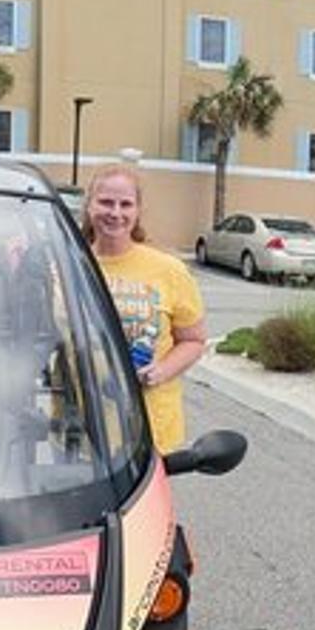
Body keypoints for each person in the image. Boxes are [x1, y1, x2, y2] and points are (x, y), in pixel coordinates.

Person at [82, 164, 206, 453]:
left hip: (149, 430)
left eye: (126, 204)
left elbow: (194, 340)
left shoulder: (169, 270)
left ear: (137, 211)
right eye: (105, 202)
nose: (115, 213)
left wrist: (161, 371)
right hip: (80, 427)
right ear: (89, 205)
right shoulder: (66, 264)